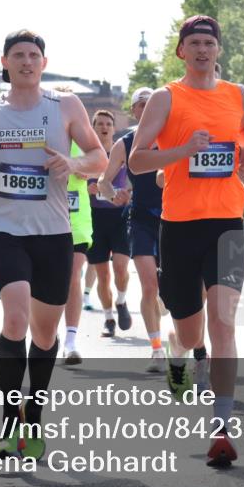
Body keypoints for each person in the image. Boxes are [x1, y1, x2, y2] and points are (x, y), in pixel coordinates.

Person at [0, 30, 106, 460]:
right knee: (15, 318)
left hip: (54, 232)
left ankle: (34, 416)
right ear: (4, 62)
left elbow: (99, 157)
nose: (26, 61)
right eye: (18, 55)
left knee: (44, 334)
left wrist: (73, 163)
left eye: (33, 55)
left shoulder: (66, 106)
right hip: (4, 229)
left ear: (44, 63)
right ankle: (9, 423)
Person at [128, 14, 244, 467]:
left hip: (227, 223)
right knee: (190, 331)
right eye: (195, 43)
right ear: (181, 51)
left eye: (210, 42)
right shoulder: (166, 98)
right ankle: (179, 352)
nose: (203, 50)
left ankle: (221, 427)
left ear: (218, 50)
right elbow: (137, 161)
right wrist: (183, 151)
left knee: (223, 323)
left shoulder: (237, 94)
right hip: (180, 226)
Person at [97, 87, 167, 371]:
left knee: (168, 292)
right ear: (134, 111)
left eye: (152, 103)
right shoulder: (125, 143)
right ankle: (157, 349)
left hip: (174, 219)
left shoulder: (173, 136)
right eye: (141, 104)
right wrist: (113, 195)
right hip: (140, 219)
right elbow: (103, 182)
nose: (147, 108)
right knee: (149, 285)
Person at [51, 82, 94, 366]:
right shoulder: (43, 134)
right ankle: (48, 334)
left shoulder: (83, 136)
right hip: (45, 218)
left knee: (73, 275)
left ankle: (70, 341)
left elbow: (98, 162)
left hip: (76, 218)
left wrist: (78, 165)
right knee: (48, 280)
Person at [85, 109, 133, 338]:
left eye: (108, 124)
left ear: (114, 129)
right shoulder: (87, 155)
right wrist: (87, 189)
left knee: (121, 268)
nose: (104, 127)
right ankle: (108, 319)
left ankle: (121, 301)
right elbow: (73, 183)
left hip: (120, 216)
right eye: (100, 124)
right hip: (95, 217)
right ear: (93, 128)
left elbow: (135, 179)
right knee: (103, 275)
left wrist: (128, 192)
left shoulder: (121, 151)